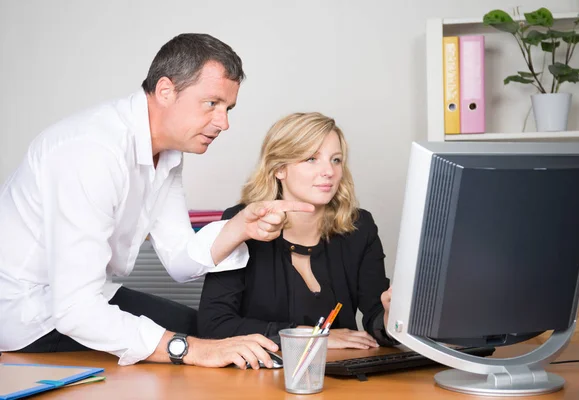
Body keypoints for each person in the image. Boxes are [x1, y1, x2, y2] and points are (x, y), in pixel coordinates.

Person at [0, 33, 314, 369]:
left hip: (80, 299)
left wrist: (240, 227)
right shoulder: (91, 152)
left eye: (228, 108)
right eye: (212, 104)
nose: (224, 123)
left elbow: (180, 260)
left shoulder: (166, 153)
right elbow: (75, 311)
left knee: (208, 335)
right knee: (200, 349)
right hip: (25, 315)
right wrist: (190, 350)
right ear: (165, 90)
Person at [197, 112, 397, 349]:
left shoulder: (359, 226)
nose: (329, 172)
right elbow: (214, 325)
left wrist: (389, 317)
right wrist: (308, 337)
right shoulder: (242, 223)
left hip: (342, 375)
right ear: (279, 169)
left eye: (336, 160)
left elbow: (376, 320)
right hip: (259, 376)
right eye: (312, 159)